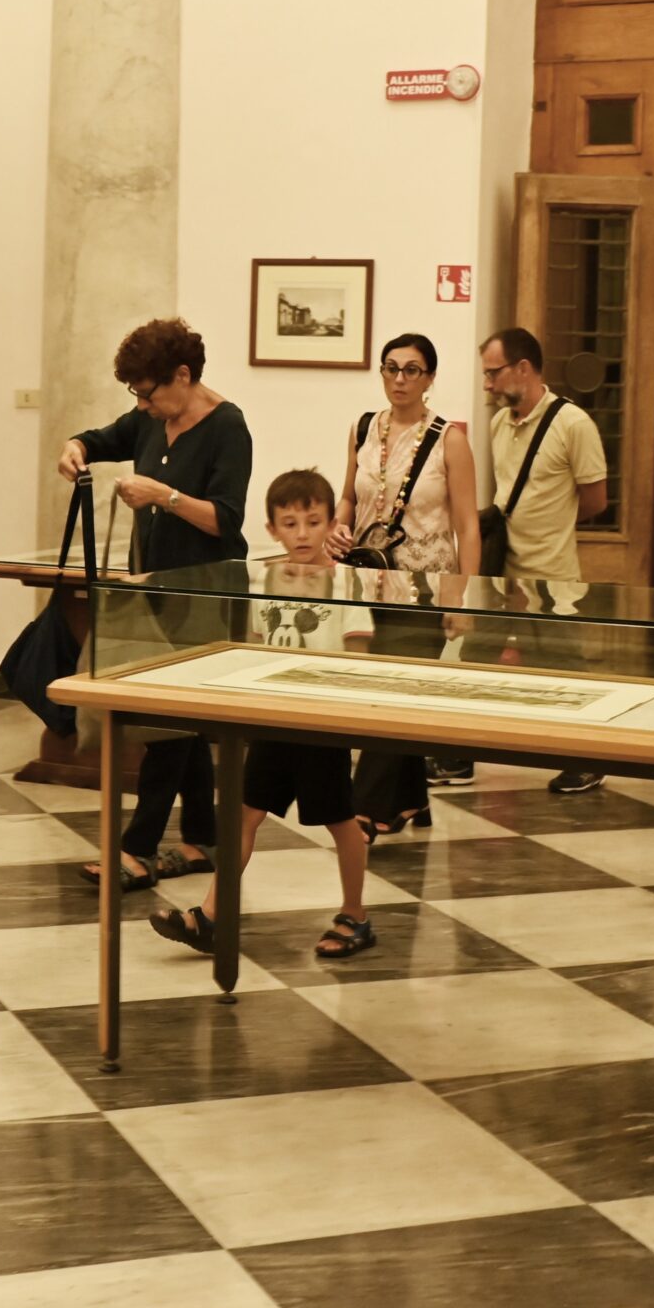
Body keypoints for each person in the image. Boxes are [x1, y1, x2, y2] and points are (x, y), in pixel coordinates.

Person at [58, 317, 252, 889]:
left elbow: (225, 520)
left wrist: (163, 496)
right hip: (153, 592)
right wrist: (75, 447)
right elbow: (100, 438)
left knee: (169, 723)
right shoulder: (148, 419)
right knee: (183, 724)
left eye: (147, 392)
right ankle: (201, 838)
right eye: (135, 394)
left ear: (183, 376)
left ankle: (137, 848)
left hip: (206, 596)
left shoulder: (228, 427)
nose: (141, 405)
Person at [153, 470, 377, 961]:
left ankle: (355, 914)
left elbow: (357, 658)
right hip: (273, 723)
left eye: (313, 522)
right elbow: (254, 648)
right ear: (272, 529)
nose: (302, 534)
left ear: (330, 524)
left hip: (319, 727)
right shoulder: (264, 581)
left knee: (341, 822)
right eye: (290, 524)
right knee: (243, 816)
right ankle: (212, 916)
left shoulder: (345, 584)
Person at [425, 327, 608, 790]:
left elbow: (595, 500)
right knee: (476, 660)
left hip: (552, 574)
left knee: (565, 670)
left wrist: (552, 523)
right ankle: (458, 758)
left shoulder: (574, 425)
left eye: (493, 373)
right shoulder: (498, 424)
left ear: (523, 369)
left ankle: (588, 759)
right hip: (501, 568)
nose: (486, 383)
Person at [326, 332, 479, 836]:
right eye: (391, 368)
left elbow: (467, 525)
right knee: (396, 688)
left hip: (426, 587)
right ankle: (411, 801)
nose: (399, 379)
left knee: (391, 694)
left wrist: (461, 597)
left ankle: (364, 809)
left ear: (429, 377)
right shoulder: (364, 429)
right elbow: (348, 497)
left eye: (412, 369)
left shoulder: (449, 440)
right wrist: (338, 526)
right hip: (369, 582)